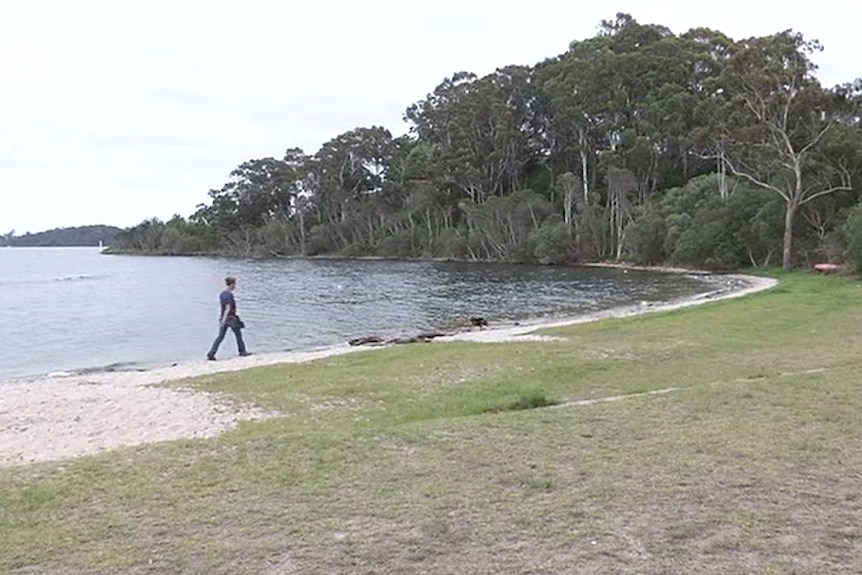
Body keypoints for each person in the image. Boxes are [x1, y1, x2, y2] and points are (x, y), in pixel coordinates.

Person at [206, 276, 251, 360]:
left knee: (220, 336)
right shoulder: (229, 295)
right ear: (231, 284)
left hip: (224, 317)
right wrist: (224, 319)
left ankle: (211, 353)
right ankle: (242, 351)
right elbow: (228, 307)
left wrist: (222, 319)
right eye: (234, 284)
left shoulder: (222, 294)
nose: (235, 286)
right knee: (238, 335)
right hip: (230, 318)